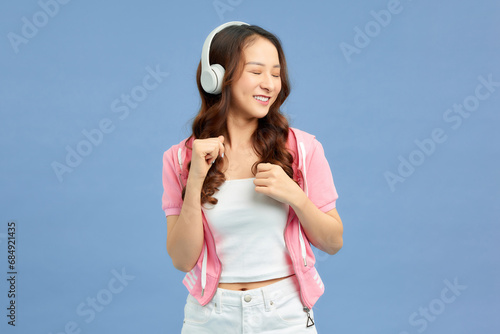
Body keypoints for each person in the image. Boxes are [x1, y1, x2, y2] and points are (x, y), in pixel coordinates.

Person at [161, 21, 343, 333]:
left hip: (284, 316)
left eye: (275, 74)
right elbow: (181, 259)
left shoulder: (302, 148)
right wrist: (195, 181)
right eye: (256, 72)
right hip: (210, 318)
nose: (270, 84)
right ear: (218, 78)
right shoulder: (180, 158)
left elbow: (333, 241)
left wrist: (295, 196)